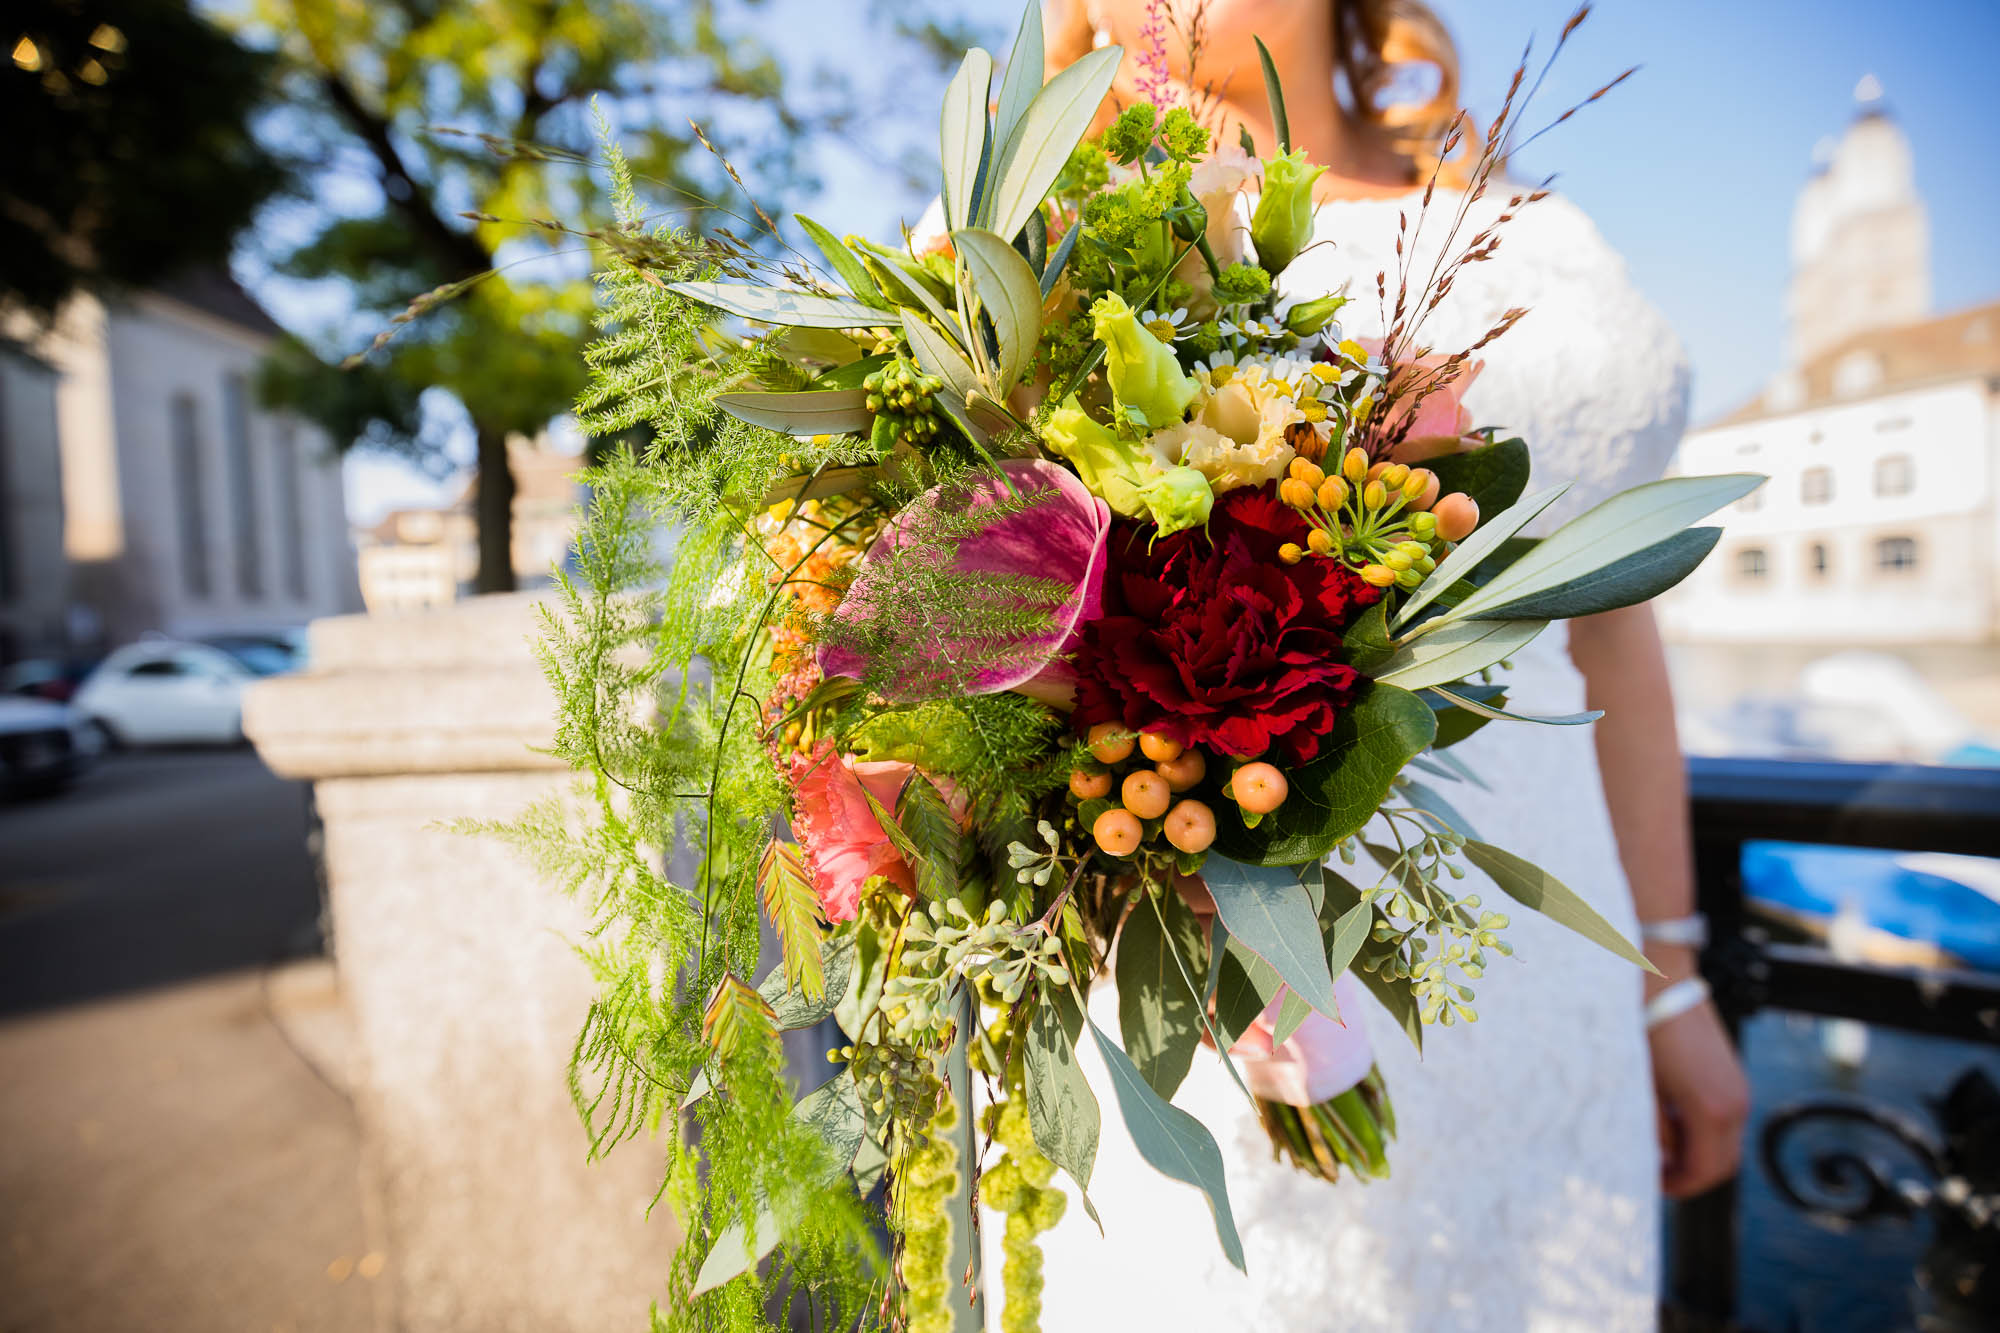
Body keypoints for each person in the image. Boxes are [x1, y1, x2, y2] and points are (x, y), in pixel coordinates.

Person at [992, 4, 1752, 1329]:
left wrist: (1670, 974)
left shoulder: (1531, 218)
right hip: (1254, 979)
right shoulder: (1078, 235)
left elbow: (1611, 613)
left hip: (1553, 966)